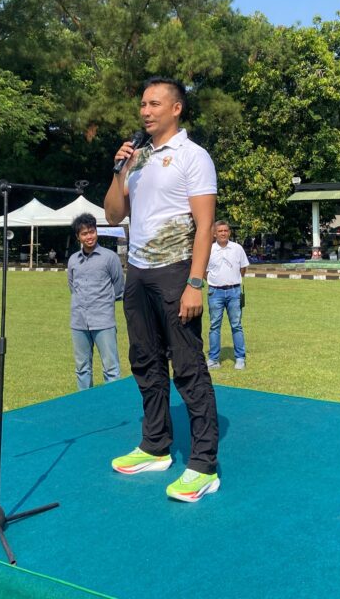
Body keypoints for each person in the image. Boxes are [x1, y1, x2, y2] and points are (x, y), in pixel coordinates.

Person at [104, 76, 221, 502]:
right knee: (145, 363)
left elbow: (205, 225)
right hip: (137, 273)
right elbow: (113, 215)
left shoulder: (194, 156)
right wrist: (119, 170)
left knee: (188, 367)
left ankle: (204, 465)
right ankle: (155, 446)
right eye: (142, 104)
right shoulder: (137, 159)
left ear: (176, 108)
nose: (145, 111)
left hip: (176, 272)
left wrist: (195, 283)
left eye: (154, 103)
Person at [66, 213, 124, 390]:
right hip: (79, 322)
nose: (89, 237)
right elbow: (72, 286)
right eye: (84, 234)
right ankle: (85, 403)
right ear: (78, 237)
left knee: (111, 369)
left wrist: (104, 302)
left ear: (97, 231)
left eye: (92, 232)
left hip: (103, 321)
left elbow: (118, 286)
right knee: (82, 369)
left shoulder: (110, 257)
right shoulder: (73, 260)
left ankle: (113, 402)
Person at [205, 220, 249, 370]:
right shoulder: (209, 249)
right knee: (214, 326)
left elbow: (243, 268)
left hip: (234, 292)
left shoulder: (237, 248)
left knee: (236, 325)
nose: (223, 233)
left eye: (225, 230)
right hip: (215, 292)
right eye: (220, 231)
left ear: (229, 232)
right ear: (214, 234)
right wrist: (214, 281)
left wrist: (232, 280)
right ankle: (213, 359)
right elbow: (204, 271)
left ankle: (240, 358)